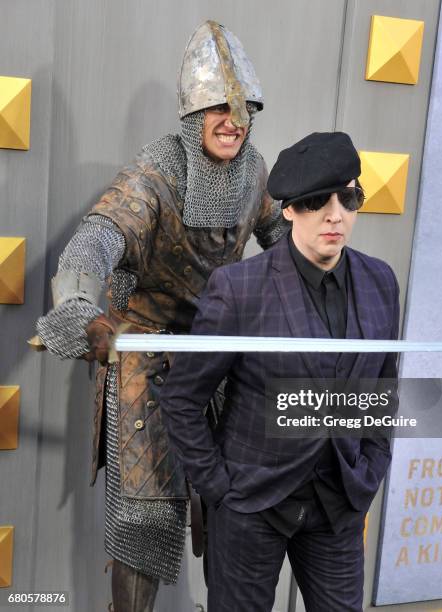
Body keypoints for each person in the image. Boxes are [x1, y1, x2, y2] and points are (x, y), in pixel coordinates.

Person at [35, 21, 286, 612]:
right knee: (144, 524)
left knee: (239, 504)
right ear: (191, 113)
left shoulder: (254, 172)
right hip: (143, 357)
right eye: (217, 108)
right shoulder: (156, 171)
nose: (233, 120)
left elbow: (285, 248)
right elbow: (95, 240)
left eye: (243, 108)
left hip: (222, 362)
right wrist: (80, 311)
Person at [160, 132, 400, 612]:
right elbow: (183, 398)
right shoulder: (239, 288)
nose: (336, 215)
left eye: (348, 197)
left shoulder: (380, 280)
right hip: (251, 504)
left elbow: (381, 388)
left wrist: (370, 469)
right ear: (289, 209)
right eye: (317, 202)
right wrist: (220, 489)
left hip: (340, 505)